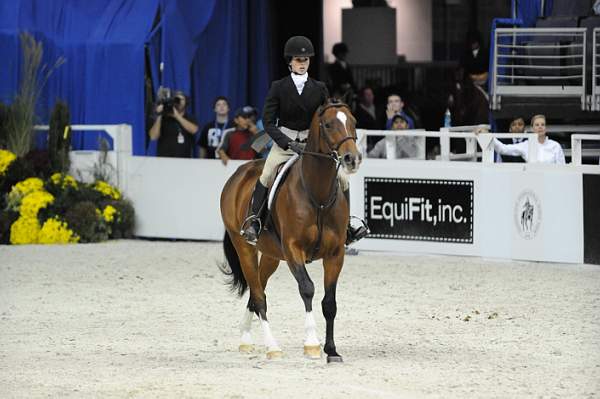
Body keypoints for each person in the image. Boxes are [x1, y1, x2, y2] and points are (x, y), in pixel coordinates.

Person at [241, 35, 368, 246]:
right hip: (286, 141)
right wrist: (288, 143)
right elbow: (268, 122)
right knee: (267, 173)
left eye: (306, 60)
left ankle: (346, 226)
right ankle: (255, 221)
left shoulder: (319, 88)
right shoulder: (279, 87)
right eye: (298, 60)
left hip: (312, 144)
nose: (302, 64)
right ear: (290, 62)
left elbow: (325, 116)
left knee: (343, 179)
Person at [486, 114, 566, 164]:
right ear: (532, 129)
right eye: (537, 125)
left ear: (546, 128)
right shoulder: (526, 145)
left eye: (542, 124)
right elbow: (503, 149)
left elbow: (562, 168)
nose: (540, 127)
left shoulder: (555, 146)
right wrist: (486, 134)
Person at [149, 91, 199, 158]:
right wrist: (160, 115)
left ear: (186, 102)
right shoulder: (164, 118)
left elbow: (194, 130)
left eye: (182, 99)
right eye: (176, 99)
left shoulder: (189, 118)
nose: (179, 101)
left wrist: (176, 116)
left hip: (184, 160)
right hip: (164, 159)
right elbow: (153, 137)